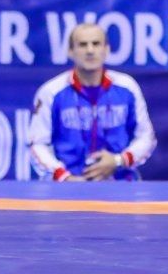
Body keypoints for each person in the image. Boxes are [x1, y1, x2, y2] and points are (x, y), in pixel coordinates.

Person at [28, 23, 156, 181]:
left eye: (96, 44)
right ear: (70, 51)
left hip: (121, 184)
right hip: (67, 186)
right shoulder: (51, 92)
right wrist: (64, 176)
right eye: (82, 45)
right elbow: (37, 144)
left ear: (106, 49)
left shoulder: (127, 88)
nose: (90, 50)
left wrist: (118, 160)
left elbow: (146, 137)